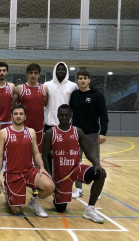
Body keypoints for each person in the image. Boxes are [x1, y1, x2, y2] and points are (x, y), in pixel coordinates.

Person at [42, 104, 107, 223]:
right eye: (61, 115)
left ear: (71, 115)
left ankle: (89, 209)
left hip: (76, 168)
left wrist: (97, 164)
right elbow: (45, 156)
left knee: (101, 174)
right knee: (61, 209)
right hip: (61, 176)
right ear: (57, 116)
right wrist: (50, 177)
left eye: (67, 115)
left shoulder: (78, 131)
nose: (64, 117)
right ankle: (57, 197)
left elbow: (87, 152)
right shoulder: (51, 132)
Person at [0, 104, 55, 217]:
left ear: (25, 117)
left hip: (29, 171)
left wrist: (41, 167)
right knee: (16, 211)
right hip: (12, 174)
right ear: (11, 116)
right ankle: (9, 194)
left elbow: (36, 153)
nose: (18, 116)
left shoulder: (31, 132)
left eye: (21, 114)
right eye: (16, 114)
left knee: (50, 186)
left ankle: (35, 202)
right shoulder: (4, 132)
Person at [70, 70, 109, 199]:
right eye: (80, 78)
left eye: (85, 78)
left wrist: (103, 132)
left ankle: (96, 189)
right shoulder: (74, 95)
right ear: (77, 81)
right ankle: (78, 189)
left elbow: (103, 115)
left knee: (95, 161)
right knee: (77, 162)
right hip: (76, 134)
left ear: (89, 80)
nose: (82, 80)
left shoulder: (97, 95)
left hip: (92, 134)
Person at [12, 63, 48, 153]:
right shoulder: (20, 88)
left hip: (39, 128)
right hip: (23, 128)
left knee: (38, 154)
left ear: (39, 75)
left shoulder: (44, 88)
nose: (33, 75)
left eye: (35, 73)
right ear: (27, 74)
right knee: (23, 153)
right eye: (31, 73)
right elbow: (13, 106)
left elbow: (46, 104)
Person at [44, 62, 77, 131]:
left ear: (66, 71)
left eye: (63, 69)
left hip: (66, 123)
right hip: (49, 123)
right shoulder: (47, 85)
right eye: (58, 69)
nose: (60, 71)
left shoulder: (73, 86)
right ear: (54, 71)